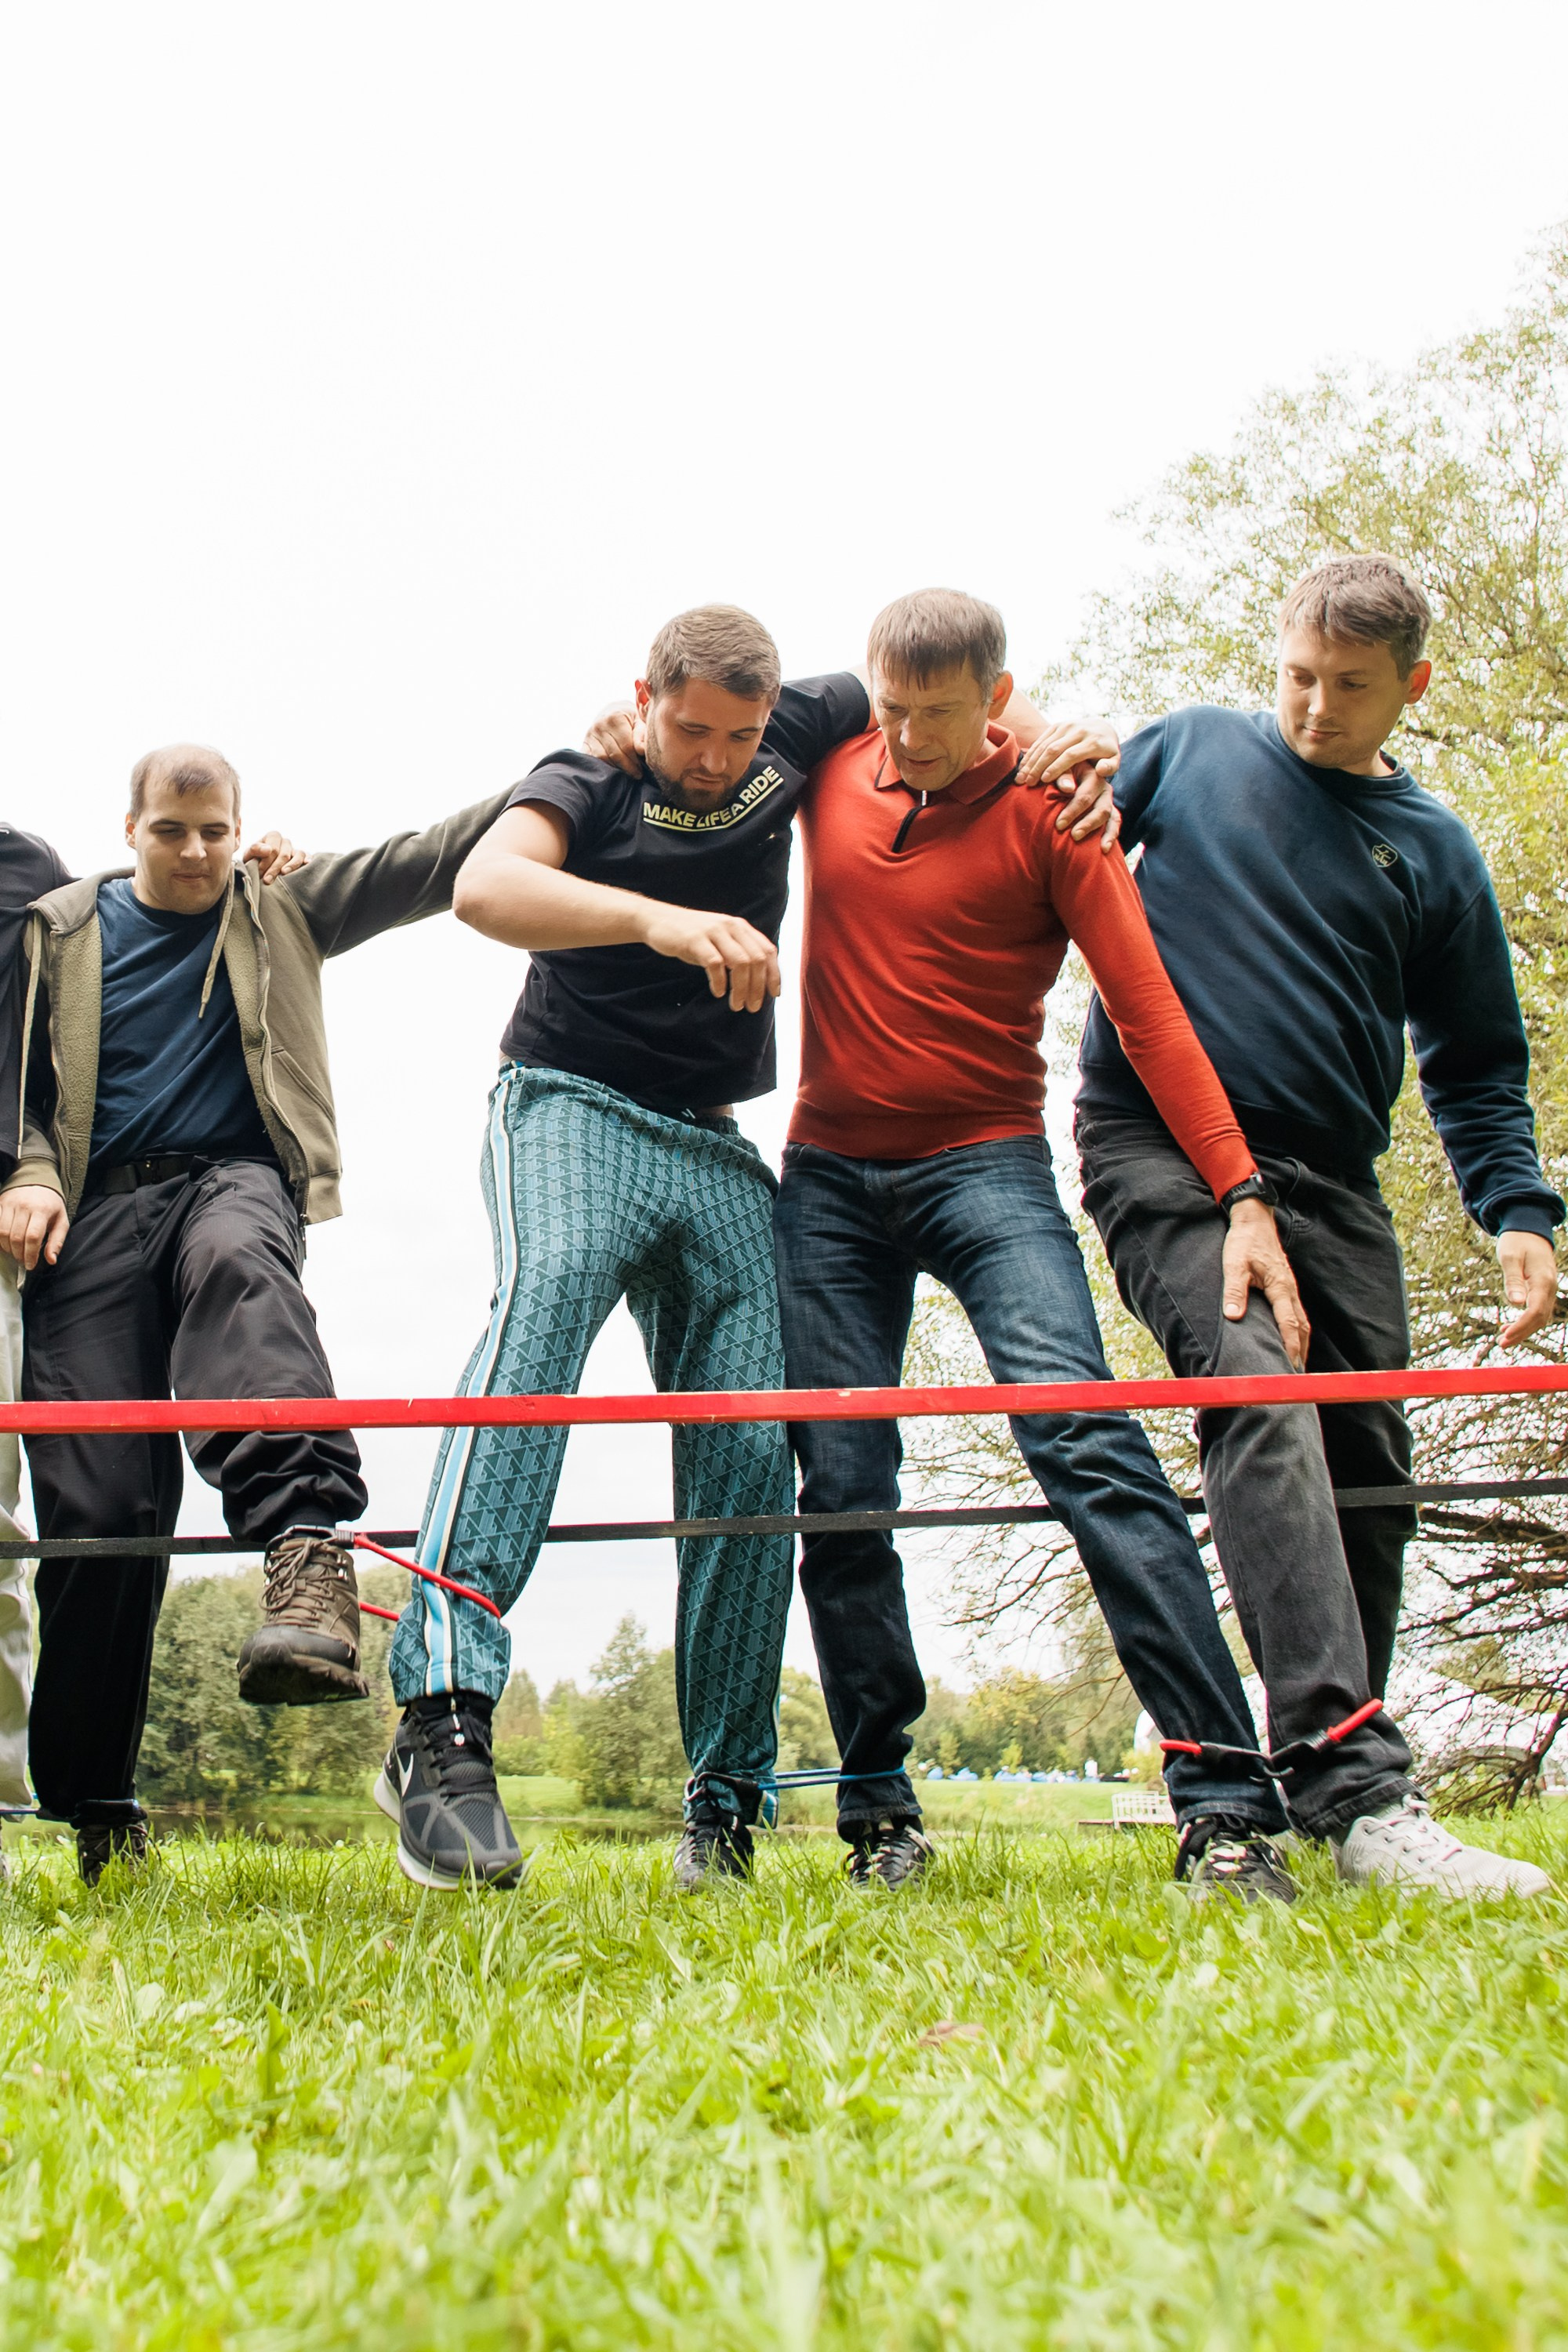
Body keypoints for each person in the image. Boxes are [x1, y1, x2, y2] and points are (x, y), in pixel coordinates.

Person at [383, 604, 1074, 1893]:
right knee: (550, 1305)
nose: (711, 760)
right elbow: (487, 887)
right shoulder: (585, 777)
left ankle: (728, 1801)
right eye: (690, 730)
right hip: (571, 1105)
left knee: (759, 1437)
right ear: (642, 696)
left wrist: (1056, 736)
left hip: (715, 1143)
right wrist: (658, 920)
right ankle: (444, 1718)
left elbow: (938, 695)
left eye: (737, 738)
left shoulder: (802, 723)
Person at [758, 586, 1320, 1898]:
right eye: (888, 708)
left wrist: (1241, 1193)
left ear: (996, 702)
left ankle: (1224, 1806)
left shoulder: (1058, 816)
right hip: (827, 1179)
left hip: (987, 1169)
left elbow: (1153, 1013)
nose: (902, 740)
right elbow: (693, 783)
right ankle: (880, 1814)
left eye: (935, 717)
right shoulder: (833, 768)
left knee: (1082, 1435)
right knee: (837, 1484)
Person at [1074, 553, 1556, 1900]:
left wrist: (1516, 1210)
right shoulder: (1196, 748)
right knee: (1257, 1387)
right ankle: (1360, 1785)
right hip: (1159, 1150)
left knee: (1372, 1466)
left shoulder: (1438, 853)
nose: (1313, 709)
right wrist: (1055, 755)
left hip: (1336, 1187)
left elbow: (1476, 1064)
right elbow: (1064, 805)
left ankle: (1330, 1787)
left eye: (1350, 688)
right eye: (1297, 675)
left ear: (1413, 687)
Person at [0, 746, 509, 1882]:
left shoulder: (280, 903)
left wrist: (570, 778)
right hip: (91, 1214)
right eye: (171, 831)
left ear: (243, 829)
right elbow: (18, 1080)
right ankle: (97, 1801)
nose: (194, 853)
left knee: (243, 1269)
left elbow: (424, 862)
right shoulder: (58, 930)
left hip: (232, 1179)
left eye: (214, 832)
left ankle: (306, 1549)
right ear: (128, 827)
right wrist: (28, 1168)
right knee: (100, 1506)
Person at [0, 815, 299, 1839]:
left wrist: (242, 885)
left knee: (107, 1514)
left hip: (51, 1228)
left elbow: (91, 1006)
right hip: (65, 1218)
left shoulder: (27, 878)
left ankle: (93, 1797)